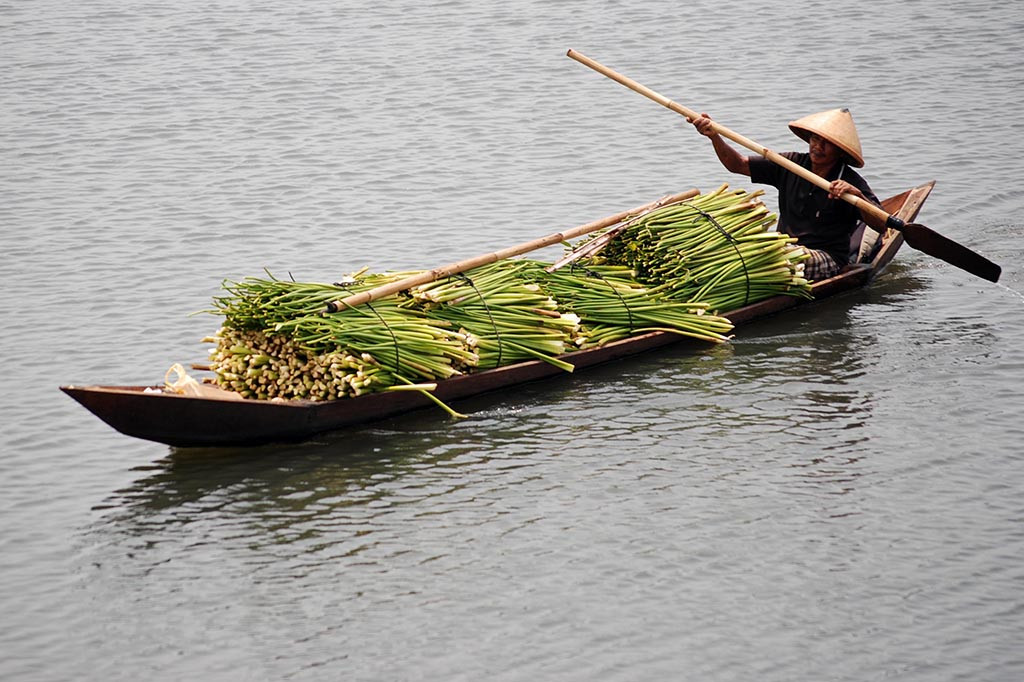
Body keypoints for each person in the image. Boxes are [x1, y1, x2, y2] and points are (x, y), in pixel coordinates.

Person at [691, 108, 886, 280]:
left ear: (840, 152)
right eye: (815, 139)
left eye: (827, 143)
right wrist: (714, 136)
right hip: (783, 247)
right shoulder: (791, 164)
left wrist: (857, 197)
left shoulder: (850, 181)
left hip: (825, 257)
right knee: (739, 248)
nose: (818, 146)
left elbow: (880, 224)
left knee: (778, 255)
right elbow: (738, 165)